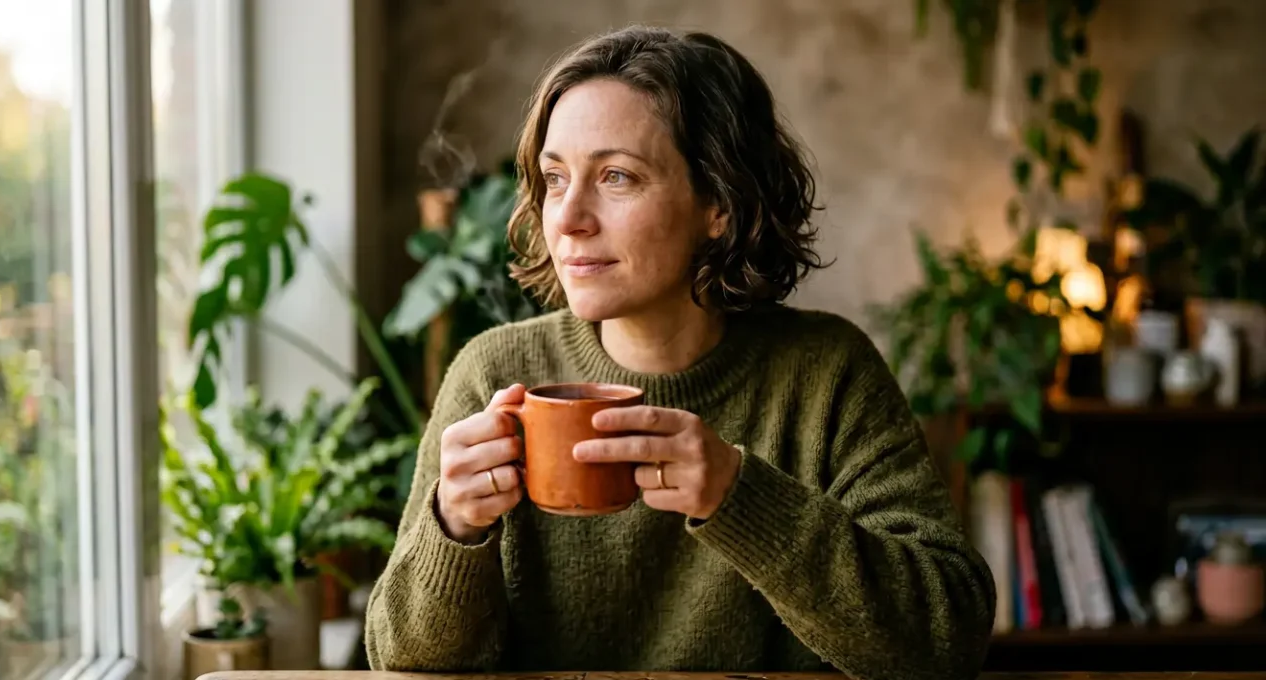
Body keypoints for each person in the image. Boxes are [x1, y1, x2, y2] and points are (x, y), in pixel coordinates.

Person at [365, 25, 994, 680]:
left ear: (718, 203)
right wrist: (455, 525)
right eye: (554, 179)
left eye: (615, 176)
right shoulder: (494, 374)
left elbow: (947, 642)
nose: (569, 218)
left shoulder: (826, 374)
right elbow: (401, 659)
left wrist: (738, 496)